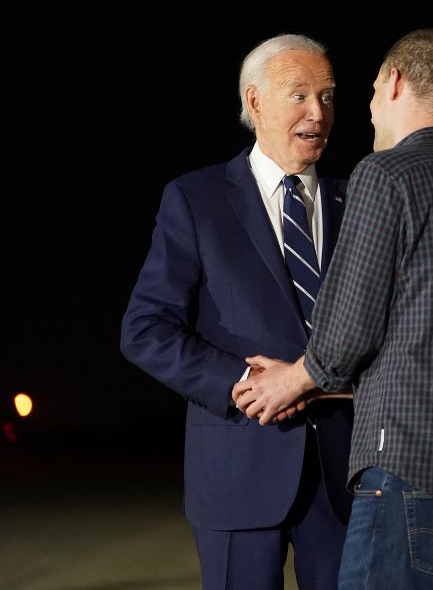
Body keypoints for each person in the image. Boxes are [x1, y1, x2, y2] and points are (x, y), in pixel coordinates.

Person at [233, 28, 433, 590]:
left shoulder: (386, 175)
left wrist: (291, 380)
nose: (363, 109)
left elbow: (346, 334)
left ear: (393, 83)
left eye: (363, 91)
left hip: (413, 474)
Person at [120, 34, 353, 590]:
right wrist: (242, 382)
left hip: (346, 479)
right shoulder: (195, 199)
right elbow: (145, 329)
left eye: (327, 97)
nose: (317, 112)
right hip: (238, 469)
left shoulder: (359, 200)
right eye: (299, 94)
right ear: (254, 103)